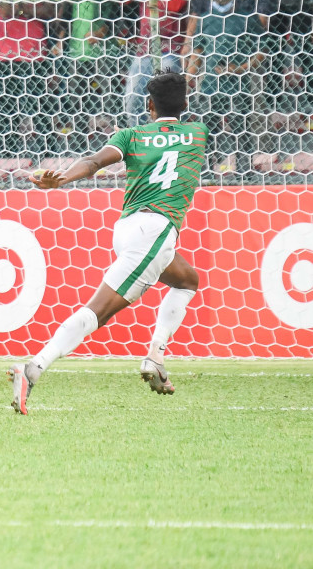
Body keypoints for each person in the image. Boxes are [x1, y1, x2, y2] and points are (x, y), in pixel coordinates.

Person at [13, 72, 205, 412]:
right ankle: (33, 368)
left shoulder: (131, 135)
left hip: (130, 228)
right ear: (186, 104)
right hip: (157, 230)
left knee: (187, 279)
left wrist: (61, 179)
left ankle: (155, 357)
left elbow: (93, 163)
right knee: (96, 314)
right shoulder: (197, 134)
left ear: (148, 105)